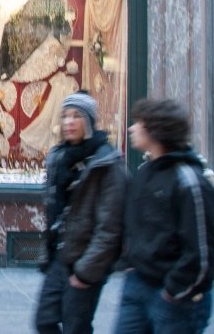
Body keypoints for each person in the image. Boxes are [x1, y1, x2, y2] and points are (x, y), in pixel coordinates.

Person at [115, 98, 214, 333]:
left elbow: (202, 250)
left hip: (176, 297)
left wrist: (174, 291)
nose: (131, 128)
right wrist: (129, 264)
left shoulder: (189, 181)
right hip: (138, 284)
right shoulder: (145, 172)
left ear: (156, 129)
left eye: (138, 122)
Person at [34, 91, 126, 334]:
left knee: (76, 327)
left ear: (88, 120)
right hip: (60, 255)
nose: (69, 123)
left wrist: (86, 272)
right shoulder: (59, 156)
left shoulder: (107, 163)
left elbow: (110, 226)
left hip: (86, 261)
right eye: (65, 116)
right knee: (45, 320)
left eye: (76, 116)